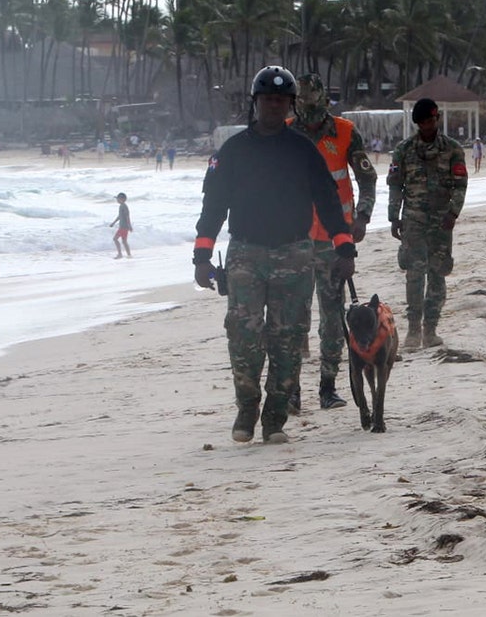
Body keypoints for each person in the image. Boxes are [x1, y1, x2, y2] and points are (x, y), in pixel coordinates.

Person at [193, 65, 356, 445]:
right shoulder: (234, 151)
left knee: (288, 337)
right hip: (245, 254)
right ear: (255, 102)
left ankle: (275, 418)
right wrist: (201, 257)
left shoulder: (304, 150)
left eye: (280, 100)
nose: (272, 106)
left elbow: (328, 201)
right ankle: (247, 408)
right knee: (243, 335)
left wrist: (344, 247)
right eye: (267, 99)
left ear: (289, 105)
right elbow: (213, 206)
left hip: (295, 255)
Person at [288, 73, 378, 414]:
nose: (308, 116)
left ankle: (328, 386)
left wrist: (363, 217)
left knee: (331, 317)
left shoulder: (344, 132)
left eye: (313, 107)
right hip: (292, 239)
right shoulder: (285, 132)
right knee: (294, 317)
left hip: (333, 239)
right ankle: (291, 390)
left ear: (325, 103)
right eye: (303, 108)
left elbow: (366, 178)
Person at [388, 98, 468, 349]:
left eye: (432, 120)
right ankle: (413, 330)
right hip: (413, 221)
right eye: (424, 122)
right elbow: (395, 185)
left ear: (437, 119)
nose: (428, 126)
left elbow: (460, 185)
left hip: (441, 222)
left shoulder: (453, 149)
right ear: (417, 123)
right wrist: (394, 216)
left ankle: (430, 330)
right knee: (414, 274)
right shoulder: (404, 150)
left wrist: (453, 213)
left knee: (437, 273)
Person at [109, 192, 133, 258]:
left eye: (118, 199)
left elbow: (127, 216)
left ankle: (120, 254)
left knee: (115, 239)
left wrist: (130, 226)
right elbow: (120, 216)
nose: (117, 200)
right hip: (123, 227)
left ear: (122, 199)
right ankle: (129, 255)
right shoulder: (121, 206)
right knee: (124, 241)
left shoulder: (124, 206)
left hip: (123, 227)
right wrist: (113, 223)